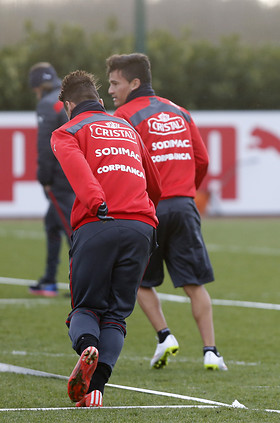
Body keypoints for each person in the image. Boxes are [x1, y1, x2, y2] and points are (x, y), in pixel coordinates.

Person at [106, 53, 228, 371]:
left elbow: (122, 166)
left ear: (134, 83)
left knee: (137, 281)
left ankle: (164, 337)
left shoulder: (123, 116)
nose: (110, 90)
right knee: (194, 284)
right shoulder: (179, 112)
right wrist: (187, 192)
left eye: (114, 83)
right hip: (184, 206)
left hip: (148, 210)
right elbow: (202, 161)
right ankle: (211, 352)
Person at [52, 70, 162, 407]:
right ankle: (95, 388)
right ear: (100, 102)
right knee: (116, 316)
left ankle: (87, 345)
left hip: (98, 222)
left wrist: (98, 202)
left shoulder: (66, 131)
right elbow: (155, 183)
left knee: (86, 308)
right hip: (141, 227)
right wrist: (145, 215)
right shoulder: (127, 127)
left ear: (69, 104)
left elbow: (78, 170)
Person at [27, 63, 74, 297]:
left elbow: (46, 146)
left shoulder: (46, 105)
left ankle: (81, 284)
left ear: (36, 86)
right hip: (75, 172)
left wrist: (44, 177)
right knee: (53, 224)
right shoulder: (69, 97)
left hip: (59, 177)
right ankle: (48, 280)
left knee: (71, 230)